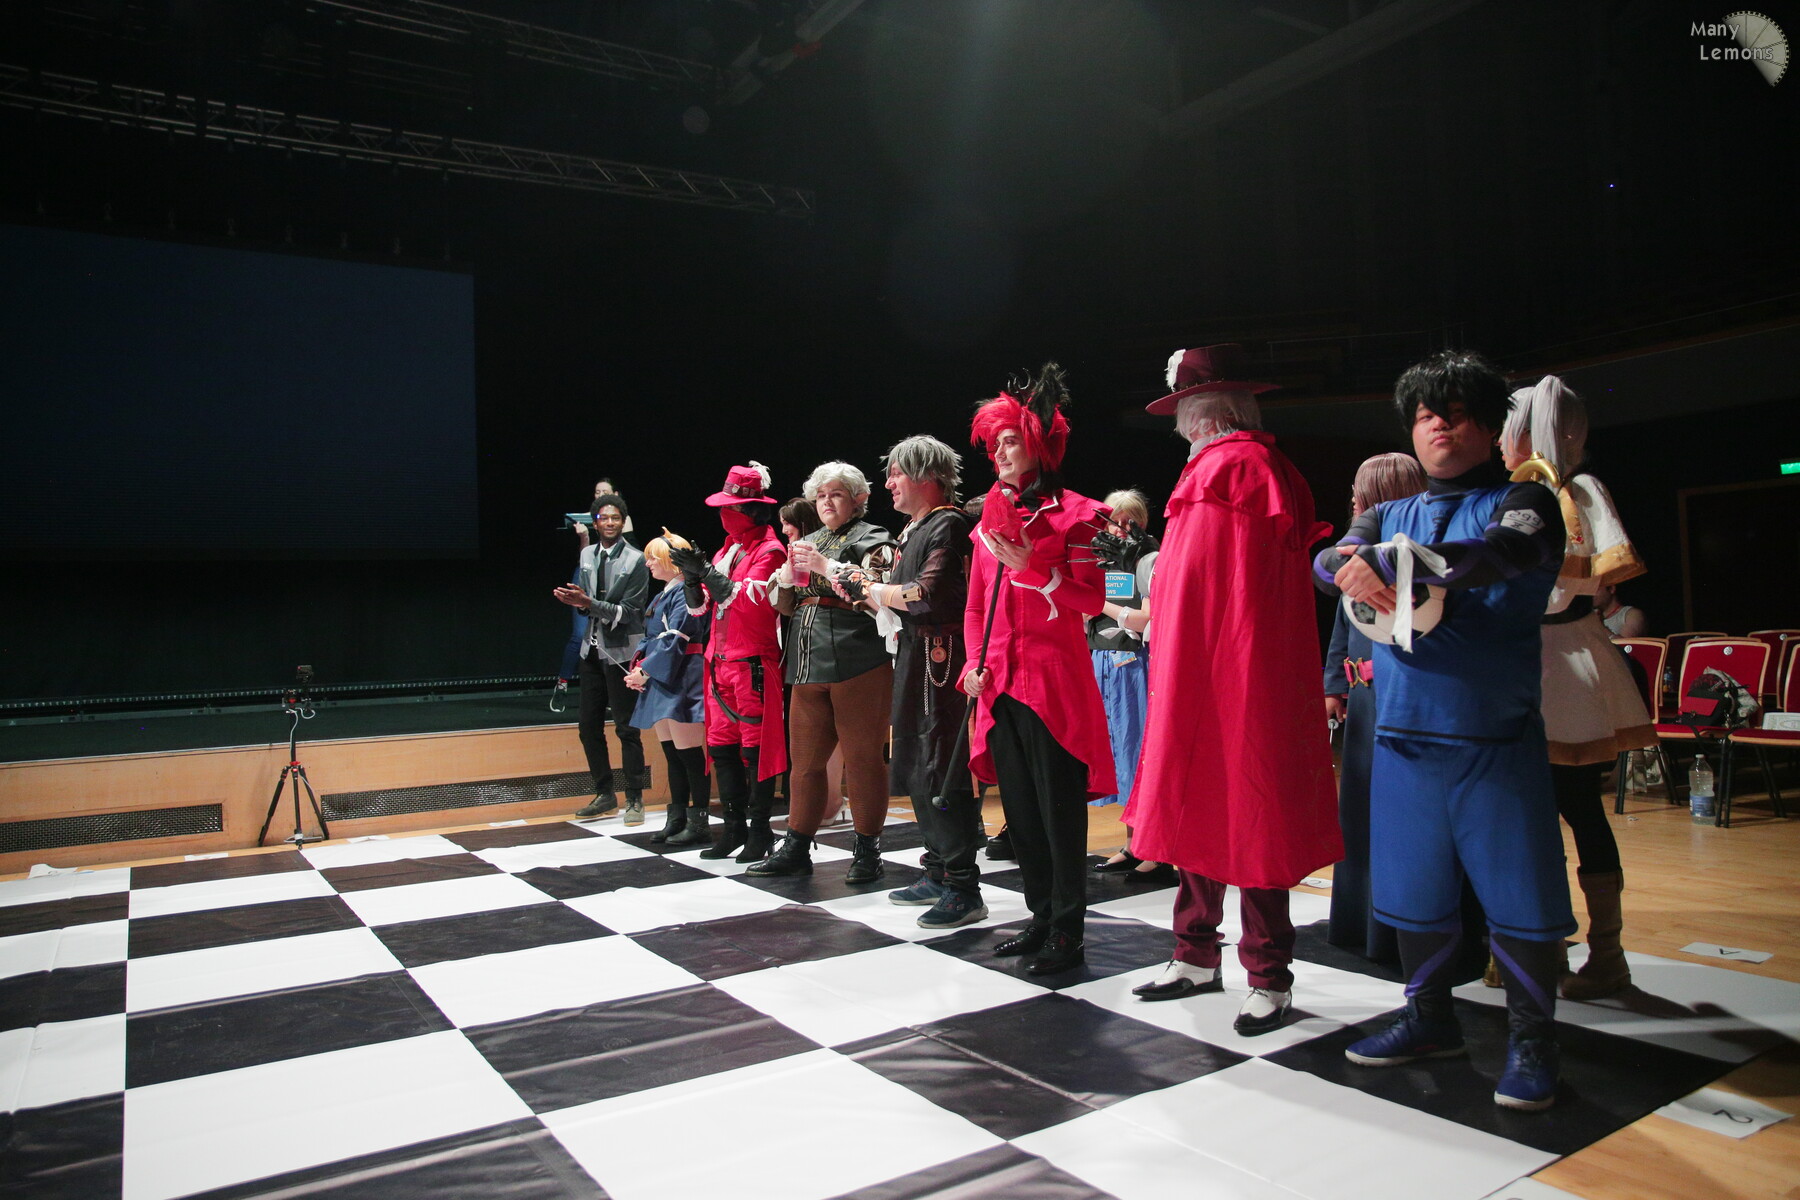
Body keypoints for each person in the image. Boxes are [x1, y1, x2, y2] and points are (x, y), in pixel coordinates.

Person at [1315, 349, 1574, 1111]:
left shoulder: (1524, 499)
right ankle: (1430, 1018)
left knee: (1521, 897)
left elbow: (1509, 551)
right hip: (1401, 736)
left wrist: (1401, 565)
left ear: (1490, 427)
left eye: (1457, 415)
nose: (1440, 427)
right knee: (1412, 891)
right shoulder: (1386, 513)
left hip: (1492, 737)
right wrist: (1354, 563)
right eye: (1427, 415)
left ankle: (1533, 1041)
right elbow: (1328, 560)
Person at [1123, 345, 1341, 1037]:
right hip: (1210, 666)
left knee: (1253, 811)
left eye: (1184, 414)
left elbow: (1235, 589)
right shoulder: (1228, 467)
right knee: (1199, 802)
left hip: (1236, 671)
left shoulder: (1237, 467)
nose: (1179, 428)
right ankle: (1196, 953)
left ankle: (1267, 973)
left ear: (1203, 415)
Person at [1502, 374, 1655, 999]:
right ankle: (1541, 942)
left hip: (1562, 663)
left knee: (1576, 807)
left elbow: (1570, 586)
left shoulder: (1573, 490)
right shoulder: (1528, 490)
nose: (1499, 443)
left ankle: (1607, 954)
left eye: (1507, 431)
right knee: (1532, 815)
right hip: (1534, 660)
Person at [961, 363, 1116, 976]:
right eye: (994, 443)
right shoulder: (986, 523)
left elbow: (1093, 600)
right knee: (1020, 816)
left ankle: (1068, 929)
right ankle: (1040, 916)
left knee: (1058, 813)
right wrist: (972, 664)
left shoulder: (1081, 515)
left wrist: (1035, 569)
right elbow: (976, 607)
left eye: (1010, 441)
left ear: (1039, 445)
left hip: (1053, 684)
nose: (999, 452)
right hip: (999, 683)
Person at [848, 435, 987, 927]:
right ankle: (939, 868)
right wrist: (868, 591)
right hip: (916, 652)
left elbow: (925, 594)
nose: (888, 483)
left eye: (896, 474)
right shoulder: (916, 527)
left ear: (927, 476)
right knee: (915, 758)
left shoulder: (947, 523)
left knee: (939, 763)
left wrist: (870, 587)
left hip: (939, 657)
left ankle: (963, 885)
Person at [750, 464, 897, 882]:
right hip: (806, 661)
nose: (827, 502)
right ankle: (797, 846)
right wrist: (783, 581)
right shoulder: (808, 541)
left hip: (859, 660)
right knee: (804, 764)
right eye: (820, 496)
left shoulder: (875, 539)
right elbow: (785, 606)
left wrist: (823, 565)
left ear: (858, 499)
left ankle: (867, 851)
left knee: (863, 761)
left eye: (836, 494)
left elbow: (879, 595)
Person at [1322, 454, 1427, 968]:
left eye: (1360, 493)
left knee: (1398, 816)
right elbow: (1344, 622)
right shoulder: (1353, 555)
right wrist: (1332, 685)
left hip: (1405, 699)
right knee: (1360, 813)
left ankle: (1398, 932)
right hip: (1362, 701)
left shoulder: (1416, 555)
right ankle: (1358, 924)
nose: (1353, 502)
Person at [668, 464, 789, 863]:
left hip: (752, 662)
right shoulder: (726, 549)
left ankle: (761, 830)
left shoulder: (770, 551)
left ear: (750, 510)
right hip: (719, 663)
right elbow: (701, 607)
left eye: (730, 507)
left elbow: (748, 602)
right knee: (722, 749)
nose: (723, 514)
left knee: (754, 751)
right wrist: (691, 578)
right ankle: (734, 828)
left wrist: (704, 572)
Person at [1086, 489, 1170, 884]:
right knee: (1120, 757)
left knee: (1140, 755)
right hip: (1100, 661)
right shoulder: (1100, 559)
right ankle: (1134, 843)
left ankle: (1155, 849)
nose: (1118, 529)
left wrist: (1096, 603)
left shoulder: (1150, 559)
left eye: (1127, 522)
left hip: (1134, 665)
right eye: (1112, 521)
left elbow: (1148, 618)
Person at [552, 493, 650, 823]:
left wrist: (588, 603)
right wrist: (576, 601)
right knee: (588, 726)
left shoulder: (636, 559)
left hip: (621, 652)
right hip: (591, 650)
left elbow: (631, 613)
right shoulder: (587, 555)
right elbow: (587, 602)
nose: (609, 523)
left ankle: (634, 798)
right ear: (594, 522)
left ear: (623, 522)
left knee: (626, 728)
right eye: (603, 518)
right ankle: (605, 794)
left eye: (615, 518)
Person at [624, 530, 712, 846]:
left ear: (670, 560)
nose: (647, 563)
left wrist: (645, 670)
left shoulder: (689, 591)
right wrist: (640, 668)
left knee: (689, 756)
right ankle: (677, 819)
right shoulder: (664, 594)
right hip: (663, 677)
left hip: (683, 677)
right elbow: (654, 637)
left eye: (652, 557)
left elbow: (678, 638)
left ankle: (699, 822)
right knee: (673, 755)